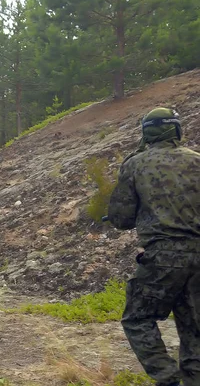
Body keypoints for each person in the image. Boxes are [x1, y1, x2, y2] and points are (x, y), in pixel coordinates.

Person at [107, 107, 200, 386]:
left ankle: (168, 378)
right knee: (194, 328)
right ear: (177, 130)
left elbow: (121, 219)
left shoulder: (136, 164)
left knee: (137, 318)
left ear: (147, 132)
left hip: (163, 256)